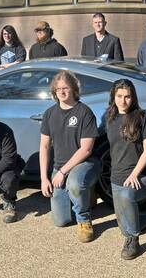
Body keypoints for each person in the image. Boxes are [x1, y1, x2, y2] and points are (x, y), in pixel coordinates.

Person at [39, 70, 101, 243]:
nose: (62, 92)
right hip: (60, 167)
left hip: (85, 163)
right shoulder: (49, 114)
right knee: (61, 221)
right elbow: (44, 146)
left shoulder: (84, 112)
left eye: (66, 88)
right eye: (58, 89)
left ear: (74, 89)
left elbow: (86, 149)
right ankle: (87, 194)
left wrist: (63, 172)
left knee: (74, 183)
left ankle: (84, 220)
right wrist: (44, 178)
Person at [105, 79, 146, 260]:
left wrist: (135, 173)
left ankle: (134, 240)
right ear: (113, 96)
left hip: (142, 175)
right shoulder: (109, 117)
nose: (123, 100)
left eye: (127, 96)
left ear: (133, 97)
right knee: (123, 225)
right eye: (119, 96)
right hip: (117, 177)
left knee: (127, 199)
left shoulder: (142, 117)